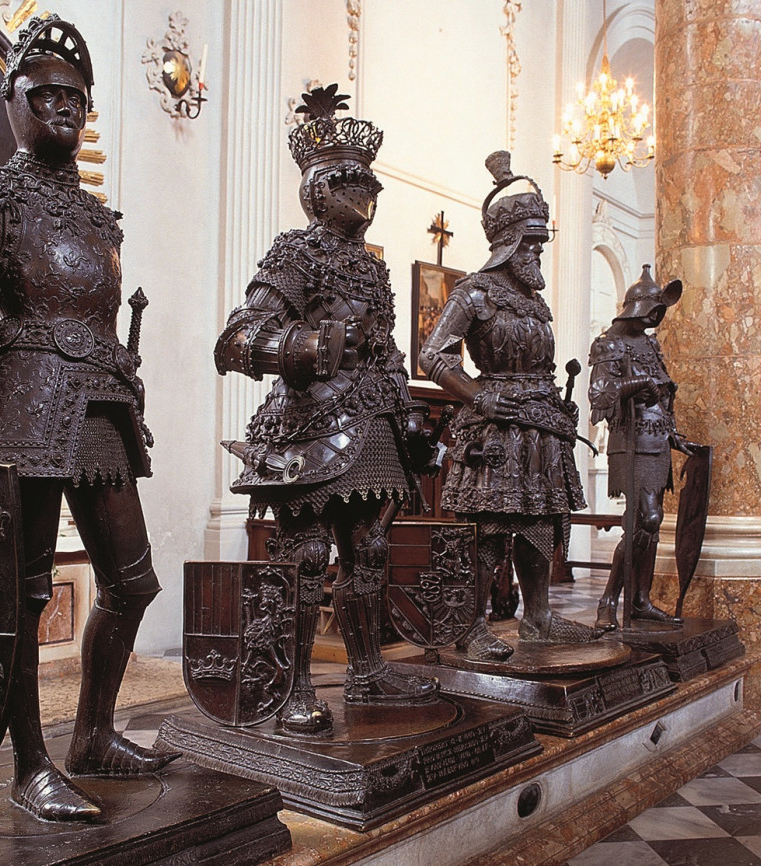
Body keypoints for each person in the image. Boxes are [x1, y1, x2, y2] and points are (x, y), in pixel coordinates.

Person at [0, 15, 177, 823]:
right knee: (20, 595)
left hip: (100, 407)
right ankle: (30, 762)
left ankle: (92, 734)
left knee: (132, 581)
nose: (63, 105)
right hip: (22, 400)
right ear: (15, 101)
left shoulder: (99, 217)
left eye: (75, 97)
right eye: (46, 92)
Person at [215, 84, 438, 736]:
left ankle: (367, 672)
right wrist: (305, 346)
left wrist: (409, 418)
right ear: (319, 190)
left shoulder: (372, 270)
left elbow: (387, 354)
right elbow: (237, 338)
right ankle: (294, 686)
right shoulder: (293, 252)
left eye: (369, 190)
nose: (364, 201)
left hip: (370, 425)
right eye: (350, 188)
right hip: (307, 424)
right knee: (306, 557)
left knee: (369, 550)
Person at [418, 151, 597, 659]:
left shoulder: (536, 301)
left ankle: (537, 618)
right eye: (532, 243)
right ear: (509, 240)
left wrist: (561, 412)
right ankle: (472, 626)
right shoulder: (474, 293)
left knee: (539, 519)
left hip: (540, 425)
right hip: (496, 426)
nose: (538, 253)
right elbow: (434, 355)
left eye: (541, 244)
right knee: (491, 527)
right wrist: (482, 396)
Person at [590, 265, 692, 630]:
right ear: (638, 307)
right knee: (644, 520)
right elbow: (600, 394)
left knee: (650, 526)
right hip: (629, 440)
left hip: (657, 439)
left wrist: (674, 433)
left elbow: (666, 394)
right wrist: (637, 383)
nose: (657, 318)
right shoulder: (608, 343)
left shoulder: (649, 343)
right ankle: (608, 601)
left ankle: (640, 600)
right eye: (653, 310)